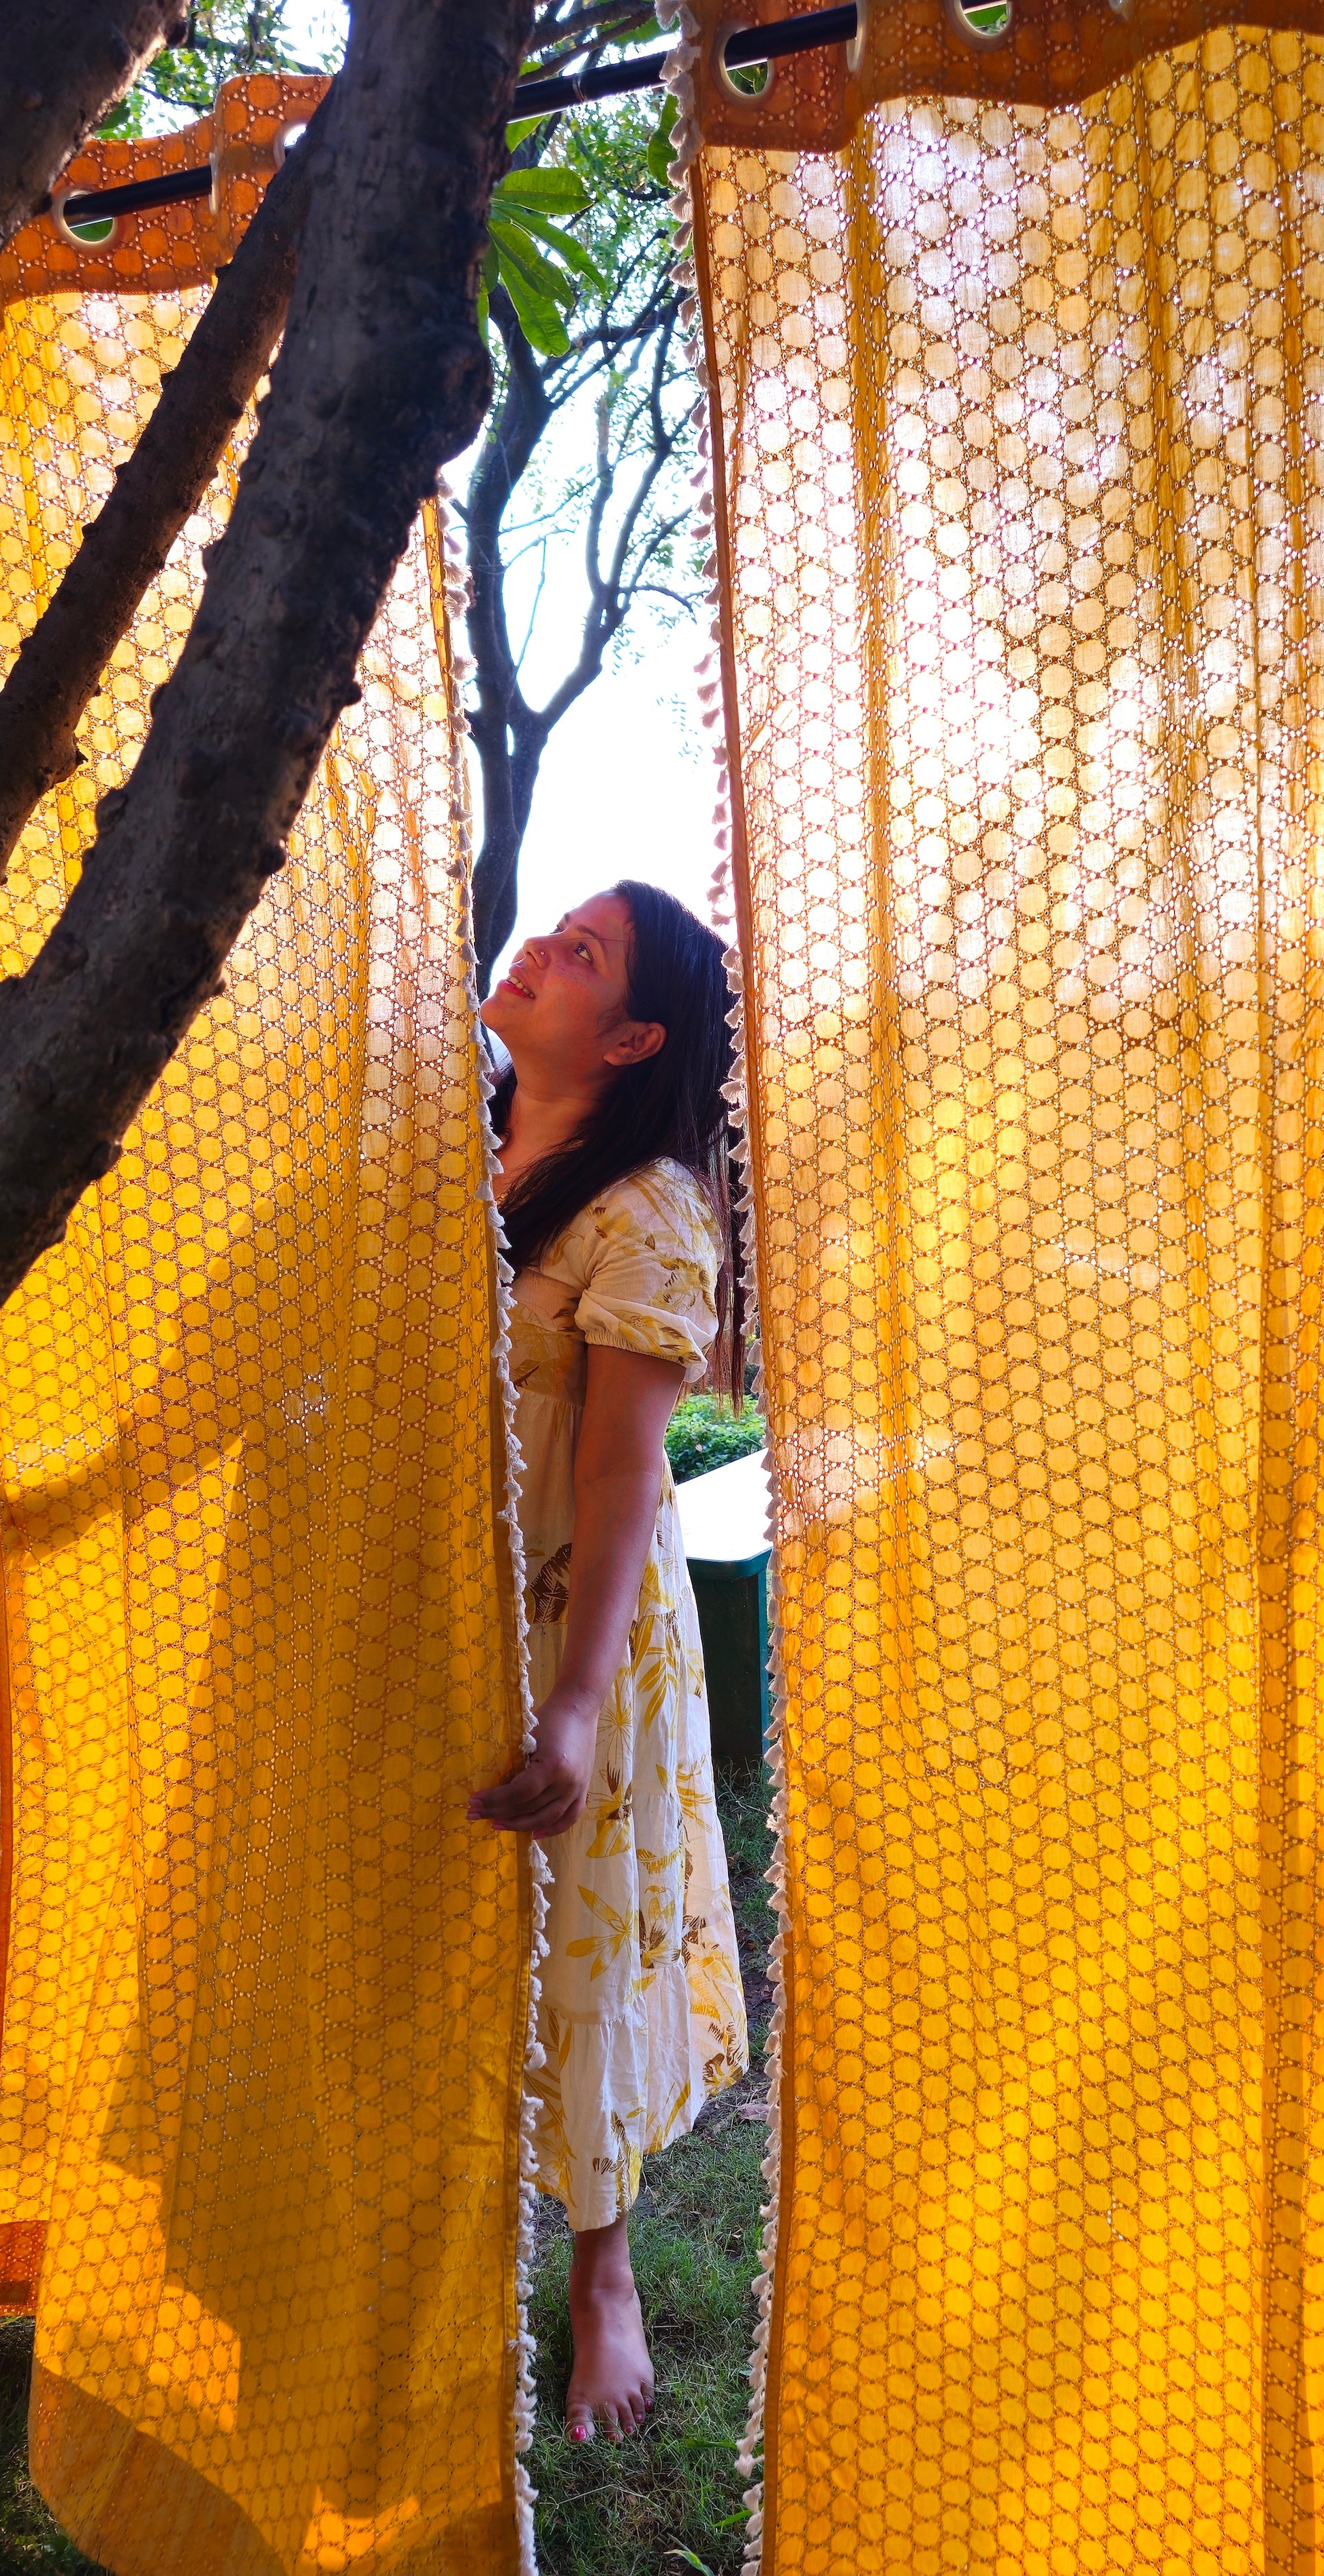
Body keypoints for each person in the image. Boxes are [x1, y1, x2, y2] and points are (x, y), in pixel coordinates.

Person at [467, 881, 748, 2445]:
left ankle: (601, 2274)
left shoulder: (646, 1206)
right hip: (428, 1599)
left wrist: (573, 1699)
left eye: (581, 955)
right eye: (550, 930)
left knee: (571, 1932)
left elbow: (623, 1471)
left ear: (633, 1033)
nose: (536, 955)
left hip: (572, 1619)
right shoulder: (444, 1145)